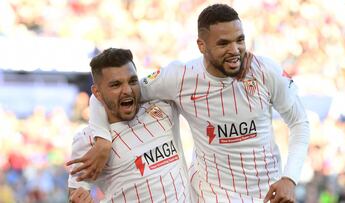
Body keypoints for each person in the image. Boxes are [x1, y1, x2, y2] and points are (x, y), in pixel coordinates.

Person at [70, 4, 310, 203]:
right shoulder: (180, 78)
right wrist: (103, 139)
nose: (235, 50)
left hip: (268, 190)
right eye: (224, 43)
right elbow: (112, 93)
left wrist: (289, 178)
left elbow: (300, 122)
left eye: (240, 40)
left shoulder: (265, 71)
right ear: (201, 46)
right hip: (213, 194)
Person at [67, 48, 191, 202]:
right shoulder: (86, 140)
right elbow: (76, 194)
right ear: (97, 92)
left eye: (132, 81)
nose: (127, 90)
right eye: (116, 85)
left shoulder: (162, 108)